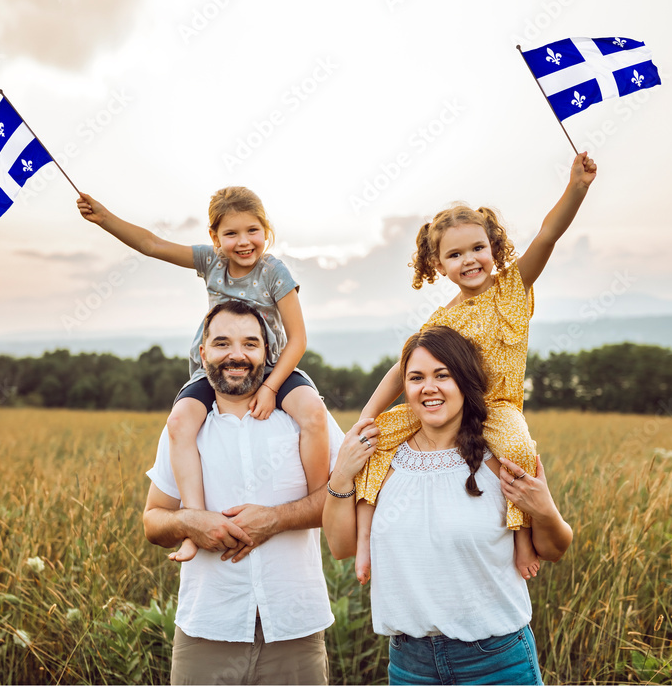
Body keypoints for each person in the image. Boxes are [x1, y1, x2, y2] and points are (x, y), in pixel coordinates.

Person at [352, 151, 596, 584]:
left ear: (493, 248)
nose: (469, 260)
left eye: (478, 248)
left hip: (496, 405)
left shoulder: (512, 287)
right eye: (455, 254)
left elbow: (548, 235)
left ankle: (520, 536)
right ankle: (365, 536)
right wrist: (367, 418)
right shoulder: (442, 321)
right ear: (438, 265)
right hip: (448, 403)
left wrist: (576, 187)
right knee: (379, 438)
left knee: (519, 447)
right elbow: (402, 369)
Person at [78, 186, 329, 563]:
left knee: (311, 411)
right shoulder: (210, 262)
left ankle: (315, 505)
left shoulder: (273, 270)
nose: (243, 242)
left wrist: (272, 387)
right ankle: (194, 521)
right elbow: (151, 244)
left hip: (270, 364)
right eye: (231, 234)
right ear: (214, 238)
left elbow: (298, 339)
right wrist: (105, 218)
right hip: (215, 369)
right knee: (180, 422)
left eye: (252, 231)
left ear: (266, 230)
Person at [323, 326, 573, 685]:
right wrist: (340, 477)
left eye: (443, 375)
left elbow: (553, 548)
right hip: (411, 665)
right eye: (416, 377)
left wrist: (546, 510)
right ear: (404, 387)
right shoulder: (382, 461)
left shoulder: (501, 458)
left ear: (465, 381)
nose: (429, 387)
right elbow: (341, 546)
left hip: (496, 663)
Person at [143, 300, 343, 685]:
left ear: (267, 353)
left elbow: (339, 499)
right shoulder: (183, 427)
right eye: (222, 344)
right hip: (208, 628)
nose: (237, 355)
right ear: (203, 353)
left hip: (294, 627)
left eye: (250, 344)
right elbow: (153, 521)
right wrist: (190, 521)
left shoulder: (304, 418)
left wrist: (276, 519)